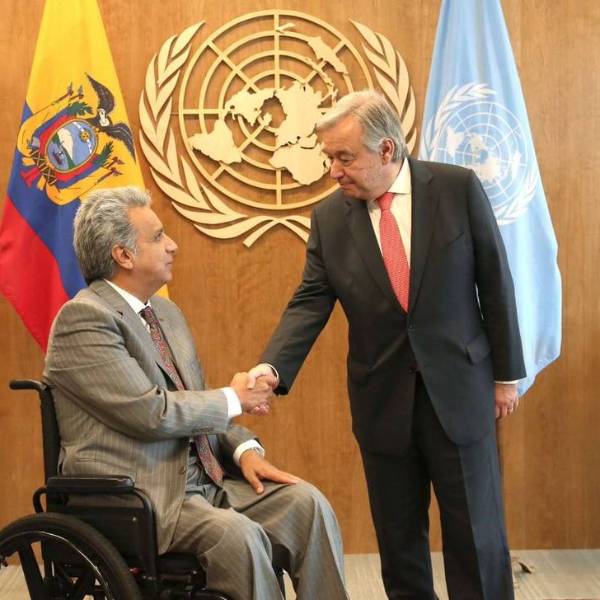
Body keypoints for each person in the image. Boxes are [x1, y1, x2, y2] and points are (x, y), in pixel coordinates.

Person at [249, 90, 526, 600]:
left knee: (477, 536)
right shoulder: (330, 218)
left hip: (460, 391)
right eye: (329, 157)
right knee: (399, 542)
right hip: (382, 400)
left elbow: (495, 281)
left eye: (344, 157)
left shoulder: (456, 188)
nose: (333, 171)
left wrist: (506, 376)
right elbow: (310, 300)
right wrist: (273, 367)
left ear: (386, 149)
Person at [43, 186, 348, 600]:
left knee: (306, 504)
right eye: (158, 237)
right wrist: (235, 399)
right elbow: (151, 413)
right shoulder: (84, 319)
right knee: (238, 537)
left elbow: (194, 403)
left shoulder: (165, 313)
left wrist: (245, 451)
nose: (173, 245)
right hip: (140, 498)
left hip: (207, 482)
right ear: (123, 255)